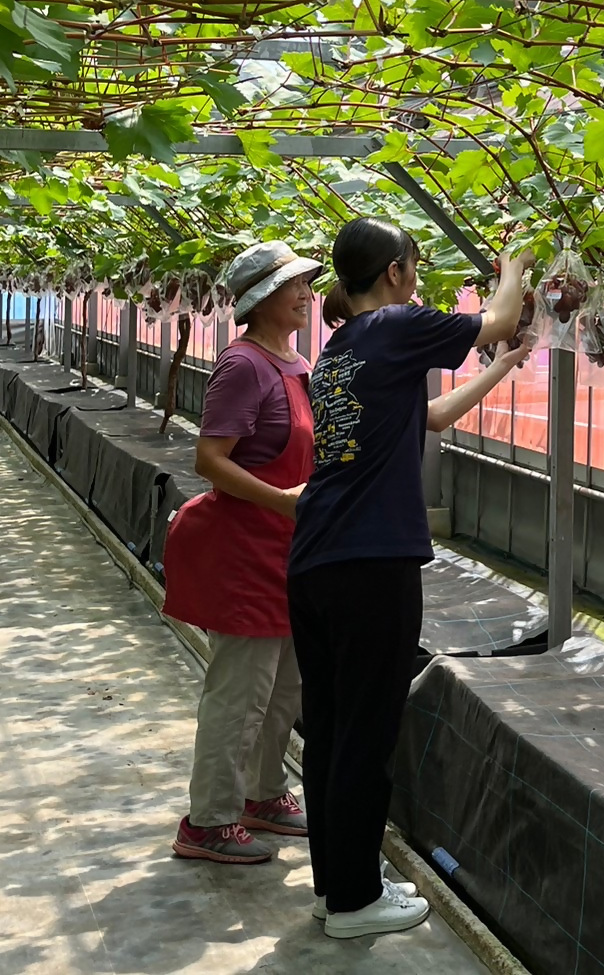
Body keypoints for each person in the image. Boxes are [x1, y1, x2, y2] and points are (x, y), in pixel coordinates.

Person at [288, 219, 534, 939]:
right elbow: (501, 313)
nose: (419, 280)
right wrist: (512, 262)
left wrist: (501, 367)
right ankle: (357, 902)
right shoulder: (395, 323)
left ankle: (336, 886)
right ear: (395, 271)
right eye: (416, 267)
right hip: (370, 563)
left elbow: (425, 416)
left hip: (316, 561)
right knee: (365, 733)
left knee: (331, 730)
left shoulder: (341, 348)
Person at [163, 240, 320, 865]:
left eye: (307, 282)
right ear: (263, 299)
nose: (308, 293)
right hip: (246, 550)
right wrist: (285, 502)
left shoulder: (294, 361)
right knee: (239, 693)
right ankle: (208, 820)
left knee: (284, 688)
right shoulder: (244, 366)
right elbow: (209, 461)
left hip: (286, 549)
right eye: (296, 285)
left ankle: (263, 793)